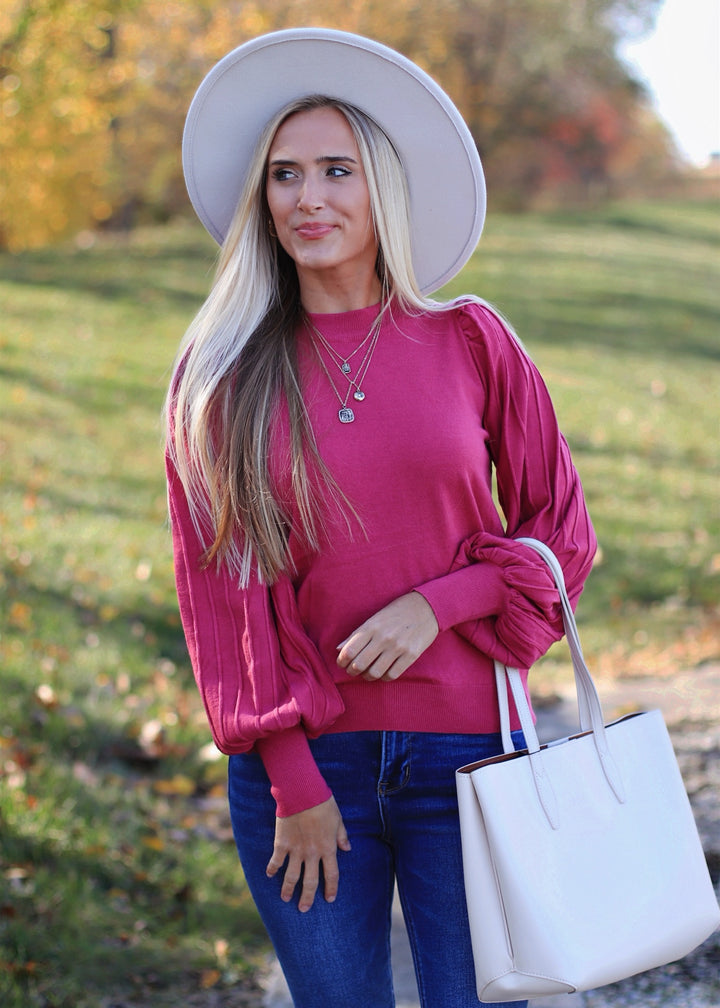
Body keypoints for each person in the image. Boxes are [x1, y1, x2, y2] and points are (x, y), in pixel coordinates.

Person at [165, 28, 596, 1008]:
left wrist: (440, 605)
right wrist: (293, 780)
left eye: (335, 170)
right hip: (310, 775)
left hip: (471, 758)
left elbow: (561, 536)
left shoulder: (471, 340)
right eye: (284, 175)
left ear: (382, 188)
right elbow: (223, 598)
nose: (307, 197)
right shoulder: (222, 374)